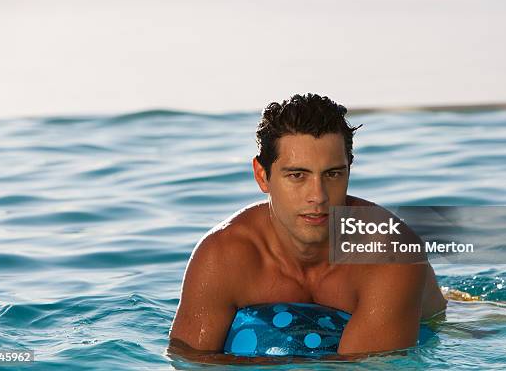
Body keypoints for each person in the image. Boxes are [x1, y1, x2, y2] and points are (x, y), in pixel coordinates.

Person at [169, 93, 447, 359]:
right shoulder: (223, 256)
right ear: (262, 176)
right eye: (297, 175)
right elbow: (189, 360)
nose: (318, 195)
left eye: (333, 174)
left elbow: (365, 368)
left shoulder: (389, 252)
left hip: (441, 325)